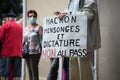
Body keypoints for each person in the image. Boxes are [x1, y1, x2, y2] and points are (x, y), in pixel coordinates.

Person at [53, 0, 101, 80]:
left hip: (83, 41)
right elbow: (69, 11)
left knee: (84, 69)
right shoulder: (72, 1)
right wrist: (62, 14)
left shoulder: (89, 1)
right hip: (73, 41)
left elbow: (87, 14)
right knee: (73, 68)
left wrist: (69, 15)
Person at [0, 12, 23, 80]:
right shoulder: (20, 27)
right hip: (18, 53)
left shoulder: (5, 26)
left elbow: (0, 38)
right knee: (16, 74)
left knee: (3, 73)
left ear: (8, 18)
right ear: (15, 19)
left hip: (6, 52)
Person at [23, 10, 42, 80]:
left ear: (36, 17)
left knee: (34, 70)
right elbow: (24, 40)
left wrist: (43, 50)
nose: (32, 17)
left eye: (34, 16)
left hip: (35, 52)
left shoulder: (39, 27)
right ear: (28, 18)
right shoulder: (26, 28)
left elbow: (41, 40)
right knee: (29, 71)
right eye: (30, 16)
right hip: (27, 52)